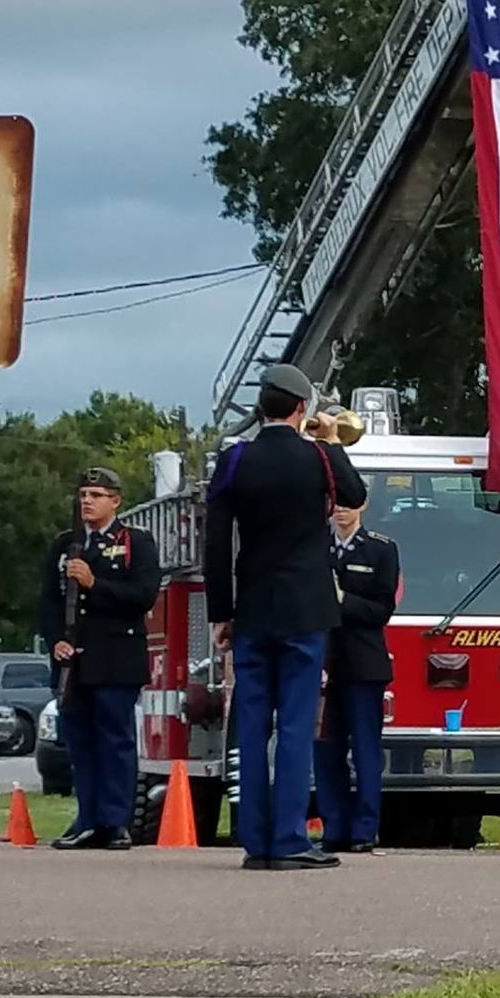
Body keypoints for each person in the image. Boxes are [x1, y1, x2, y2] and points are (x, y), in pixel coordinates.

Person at [205, 363, 368, 870]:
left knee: (252, 721)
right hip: (306, 607)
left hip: (252, 606)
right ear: (301, 408)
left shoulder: (234, 460)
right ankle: (291, 837)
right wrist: (329, 438)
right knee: (296, 725)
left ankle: (255, 840)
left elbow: (216, 542)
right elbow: (355, 494)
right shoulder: (318, 457)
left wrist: (221, 612)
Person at [37, 466, 160, 850]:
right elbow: (48, 600)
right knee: (79, 741)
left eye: (96, 495)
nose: (87, 501)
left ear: (115, 501)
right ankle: (87, 818)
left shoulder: (135, 542)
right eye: (84, 494)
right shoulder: (64, 545)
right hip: (74, 659)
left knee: (114, 739)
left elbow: (142, 595)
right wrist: (55, 638)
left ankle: (115, 821)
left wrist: (95, 583)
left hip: (115, 655)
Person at [315, 498, 399, 853]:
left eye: (349, 505)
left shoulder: (380, 549)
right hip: (322, 666)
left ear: (363, 506)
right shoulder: (316, 548)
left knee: (365, 749)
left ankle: (365, 829)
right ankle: (334, 826)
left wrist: (342, 598)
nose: (341, 512)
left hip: (363, 665)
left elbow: (382, 610)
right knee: (325, 751)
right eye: (336, 505)